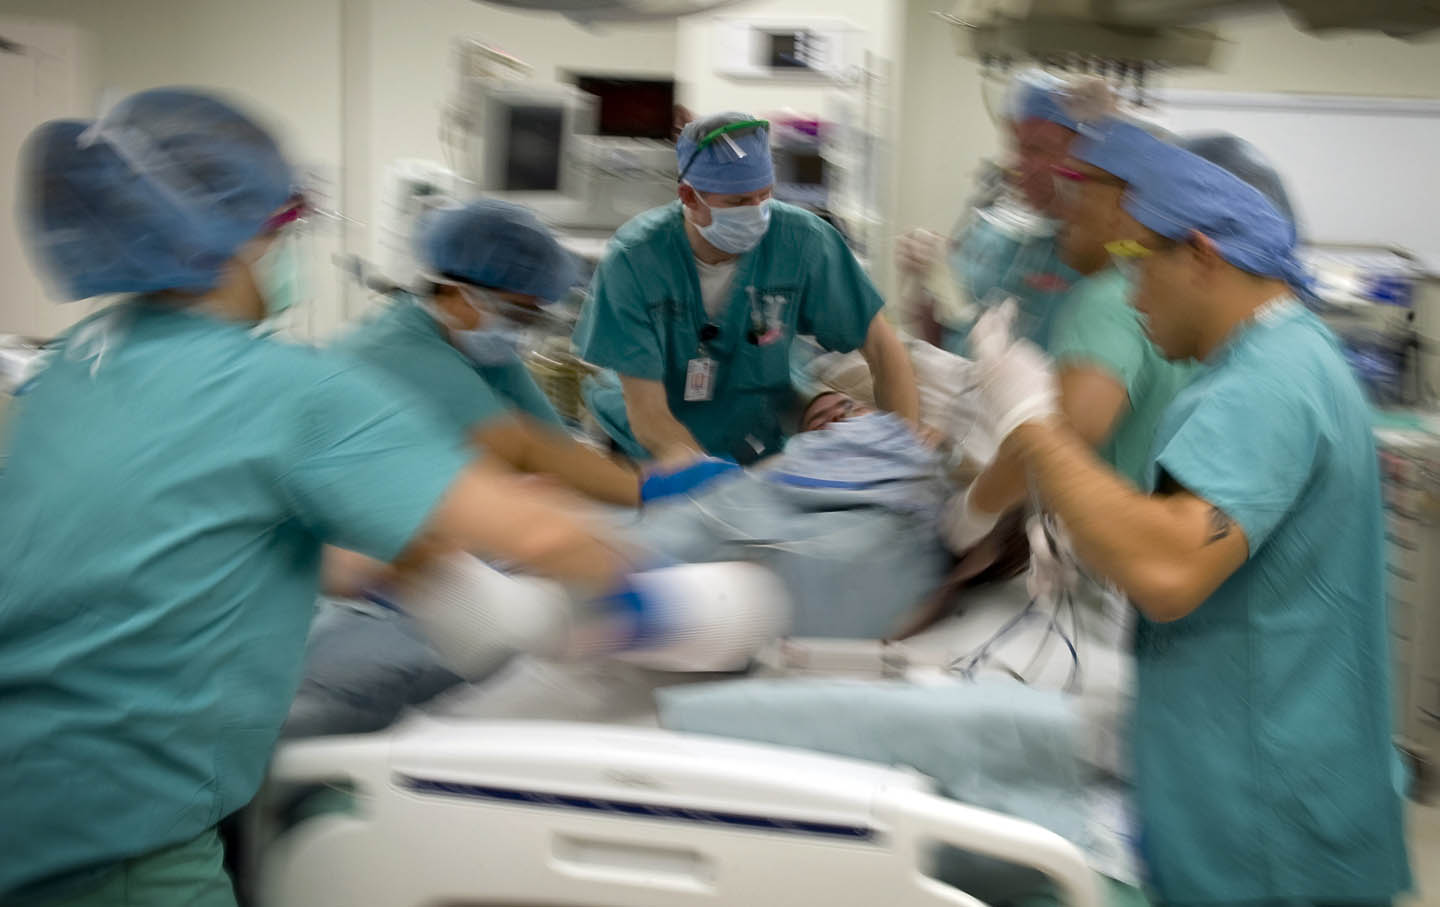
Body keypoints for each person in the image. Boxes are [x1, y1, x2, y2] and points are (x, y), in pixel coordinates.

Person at [0, 88, 664, 906]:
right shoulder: (282, 389)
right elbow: (547, 534)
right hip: (118, 821)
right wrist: (663, 604)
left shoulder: (75, 358)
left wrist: (382, 566)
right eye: (286, 227)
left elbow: (173, 526)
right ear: (240, 238)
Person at [970, 122, 1411, 904]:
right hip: (1265, 788)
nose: (1130, 291)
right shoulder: (1285, 358)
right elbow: (1197, 538)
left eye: (1139, 260)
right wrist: (1093, 534)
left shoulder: (1263, 384)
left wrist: (1034, 426)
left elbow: (1169, 567)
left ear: (1204, 254)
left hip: (1264, 822)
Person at [336, 199, 736, 507]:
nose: (519, 330)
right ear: (458, 293)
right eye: (515, 313)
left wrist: (662, 473)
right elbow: (522, 445)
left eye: (531, 317)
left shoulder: (476, 345)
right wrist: (648, 488)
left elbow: (553, 442)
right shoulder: (401, 349)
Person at [576, 111, 919, 466]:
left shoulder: (801, 241)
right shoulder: (635, 259)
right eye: (738, 203)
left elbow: (881, 347)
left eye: (765, 196)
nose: (756, 213)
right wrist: (706, 478)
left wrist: (901, 454)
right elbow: (648, 413)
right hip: (653, 445)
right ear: (689, 197)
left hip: (753, 438)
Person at [896, 71, 1090, 353]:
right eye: (1015, 146)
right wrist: (926, 281)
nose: (1016, 163)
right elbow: (945, 335)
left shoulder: (1093, 254)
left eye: (1036, 149)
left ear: (1080, 156)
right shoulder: (993, 230)